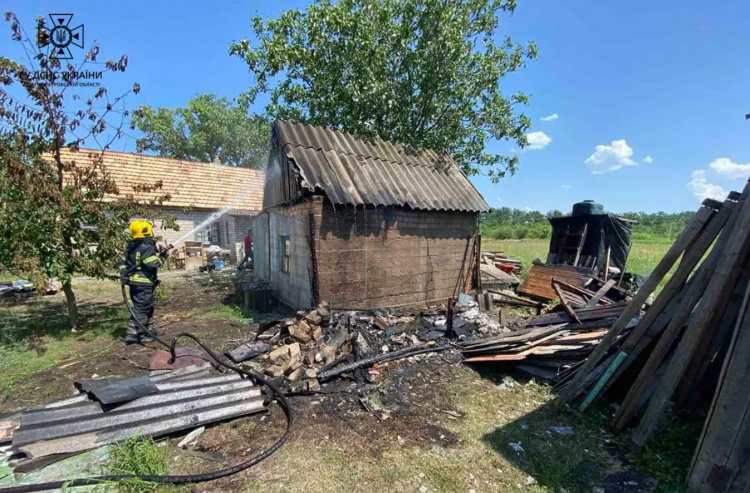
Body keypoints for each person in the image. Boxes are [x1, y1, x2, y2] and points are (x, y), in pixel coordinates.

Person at [117, 220, 172, 344]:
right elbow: (152, 263)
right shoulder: (147, 246)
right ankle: (134, 334)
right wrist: (163, 257)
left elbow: (122, 262)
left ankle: (147, 330)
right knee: (141, 308)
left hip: (135, 283)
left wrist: (124, 274)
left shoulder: (132, 246)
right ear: (147, 231)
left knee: (146, 306)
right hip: (144, 283)